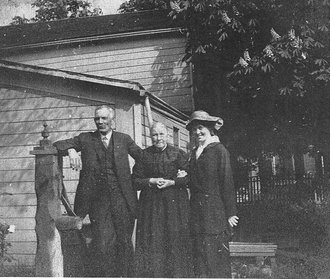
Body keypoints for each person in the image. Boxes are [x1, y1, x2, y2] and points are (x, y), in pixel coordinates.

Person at [53, 105, 141, 277]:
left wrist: (135, 177)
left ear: (112, 120)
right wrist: (71, 150)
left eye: (104, 118)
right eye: (97, 119)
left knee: (124, 243)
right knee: (102, 244)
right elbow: (57, 145)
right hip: (98, 201)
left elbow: (143, 158)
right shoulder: (86, 139)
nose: (100, 122)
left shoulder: (124, 139)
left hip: (122, 199)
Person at [132, 122, 194, 278]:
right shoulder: (144, 155)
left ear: (167, 135)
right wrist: (151, 180)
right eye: (154, 134)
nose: (158, 138)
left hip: (174, 204)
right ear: (150, 136)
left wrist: (173, 181)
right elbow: (135, 180)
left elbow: (190, 178)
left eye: (161, 134)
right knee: (153, 240)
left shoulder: (178, 154)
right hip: (151, 205)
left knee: (173, 238)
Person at [186, 110, 239, 278]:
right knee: (200, 257)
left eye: (200, 128)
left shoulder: (219, 150)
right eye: (194, 129)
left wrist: (230, 212)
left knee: (216, 258)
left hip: (214, 213)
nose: (197, 132)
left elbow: (227, 181)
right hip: (197, 212)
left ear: (210, 129)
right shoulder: (195, 152)